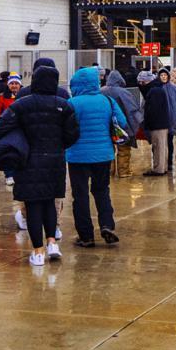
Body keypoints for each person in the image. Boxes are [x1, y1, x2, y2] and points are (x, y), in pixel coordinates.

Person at [0, 64, 79, 266]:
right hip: (55, 159)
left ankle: (37, 251)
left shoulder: (22, 104)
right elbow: (73, 134)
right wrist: (58, 145)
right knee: (49, 201)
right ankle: (52, 243)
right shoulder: (63, 105)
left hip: (27, 160)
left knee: (33, 204)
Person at [65, 67, 127, 248]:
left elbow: (65, 128)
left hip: (77, 156)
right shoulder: (106, 100)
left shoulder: (72, 103)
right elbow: (121, 122)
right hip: (103, 154)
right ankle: (107, 225)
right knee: (102, 191)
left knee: (80, 195)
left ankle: (86, 236)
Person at [141, 68, 176, 176]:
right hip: (162, 123)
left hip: (157, 124)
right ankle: (163, 167)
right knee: (162, 147)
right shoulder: (159, 89)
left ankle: (158, 169)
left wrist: (148, 123)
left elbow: (152, 109)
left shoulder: (154, 90)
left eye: (142, 82)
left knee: (158, 147)